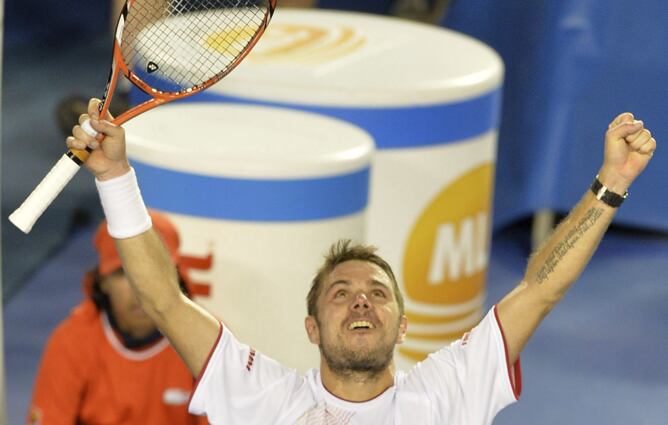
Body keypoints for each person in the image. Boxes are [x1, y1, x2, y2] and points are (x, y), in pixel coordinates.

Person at [67, 98, 656, 424]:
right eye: (340, 293)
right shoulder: (259, 395)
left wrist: (612, 182)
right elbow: (163, 301)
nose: (360, 300)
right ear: (311, 328)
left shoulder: (448, 391)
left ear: (404, 325)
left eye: (378, 293)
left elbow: (540, 288)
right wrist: (116, 177)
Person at [27, 211, 209, 425]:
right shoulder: (70, 342)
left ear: (176, 277)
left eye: (155, 271)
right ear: (102, 281)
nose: (140, 287)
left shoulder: (206, 341)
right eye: (123, 272)